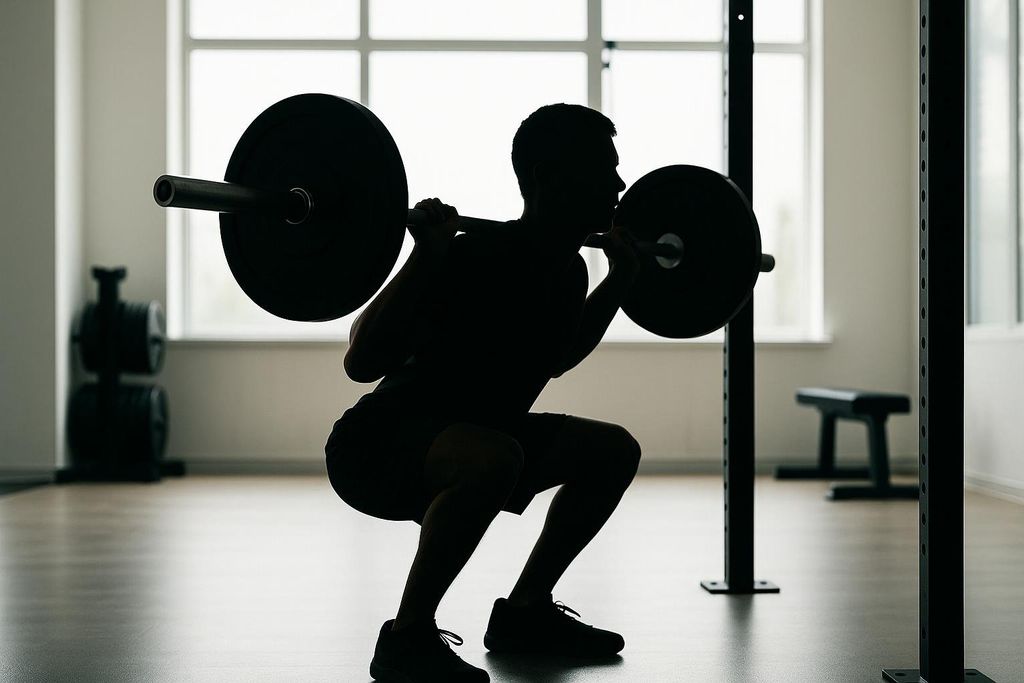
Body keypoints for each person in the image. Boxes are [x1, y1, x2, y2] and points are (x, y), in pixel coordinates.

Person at [325, 103, 643, 682]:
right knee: (495, 456)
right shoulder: (472, 253)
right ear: (547, 177)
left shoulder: (569, 271)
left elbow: (558, 357)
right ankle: (407, 638)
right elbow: (361, 361)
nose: (619, 186)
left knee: (612, 450)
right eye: (604, 169)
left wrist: (620, 279)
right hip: (377, 445)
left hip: (488, 436)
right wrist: (426, 254)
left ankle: (525, 613)